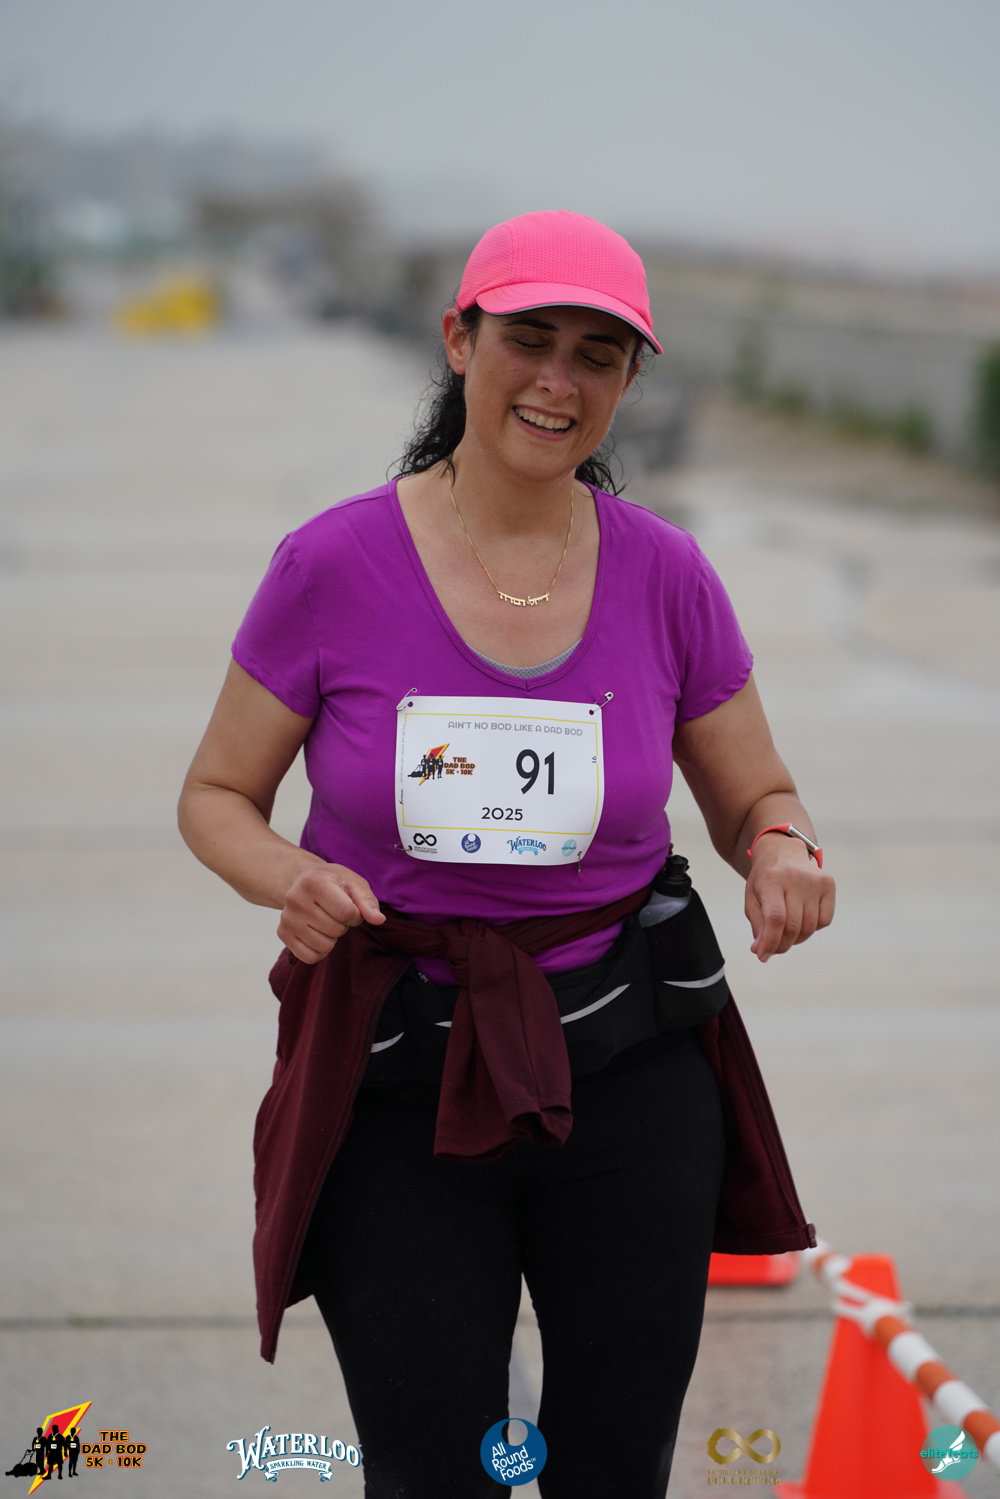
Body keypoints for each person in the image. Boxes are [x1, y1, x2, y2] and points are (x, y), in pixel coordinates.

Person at [179, 210, 835, 1498]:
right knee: (433, 1474)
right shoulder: (331, 565)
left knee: (615, 1467)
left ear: (629, 381)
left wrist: (783, 847)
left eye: (598, 356)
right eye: (529, 341)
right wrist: (287, 878)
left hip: (629, 1069)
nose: (558, 382)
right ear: (458, 341)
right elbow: (216, 795)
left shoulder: (667, 575)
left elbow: (756, 791)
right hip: (395, 1075)